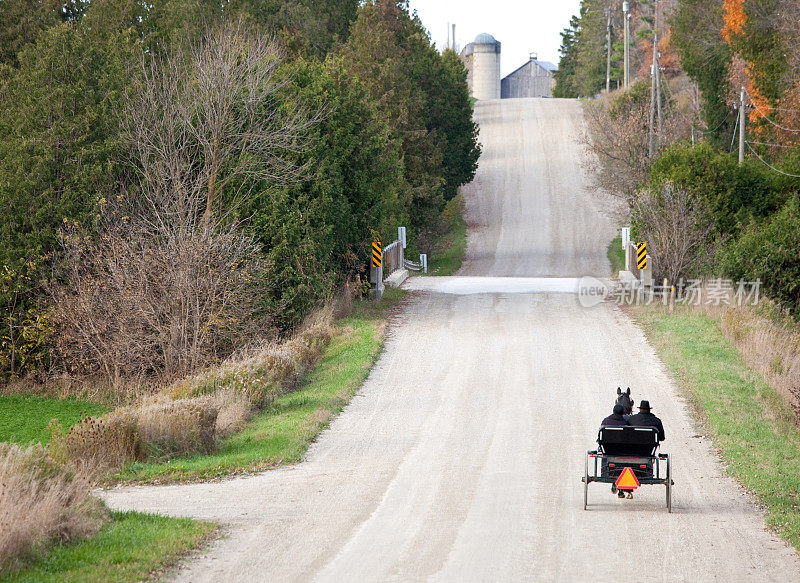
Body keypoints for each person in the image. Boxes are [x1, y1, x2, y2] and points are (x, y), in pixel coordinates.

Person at [600, 404, 629, 497]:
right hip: (623, 451)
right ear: (623, 412)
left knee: (602, 449)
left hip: (609, 451)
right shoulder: (627, 422)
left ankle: (605, 471)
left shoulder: (606, 421)